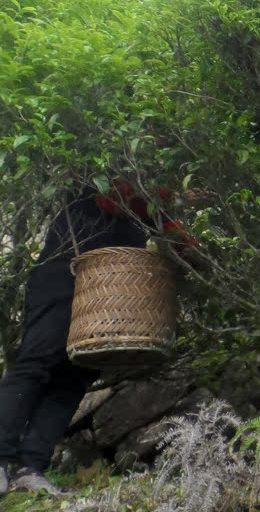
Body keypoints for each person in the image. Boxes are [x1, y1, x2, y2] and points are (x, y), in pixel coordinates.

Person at [0, 180, 194, 494]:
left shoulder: (154, 182)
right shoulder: (105, 166)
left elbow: (164, 227)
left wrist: (190, 241)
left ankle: (30, 467)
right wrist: (172, 198)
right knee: (36, 362)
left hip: (110, 284)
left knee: (74, 377)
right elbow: (112, 198)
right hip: (65, 270)